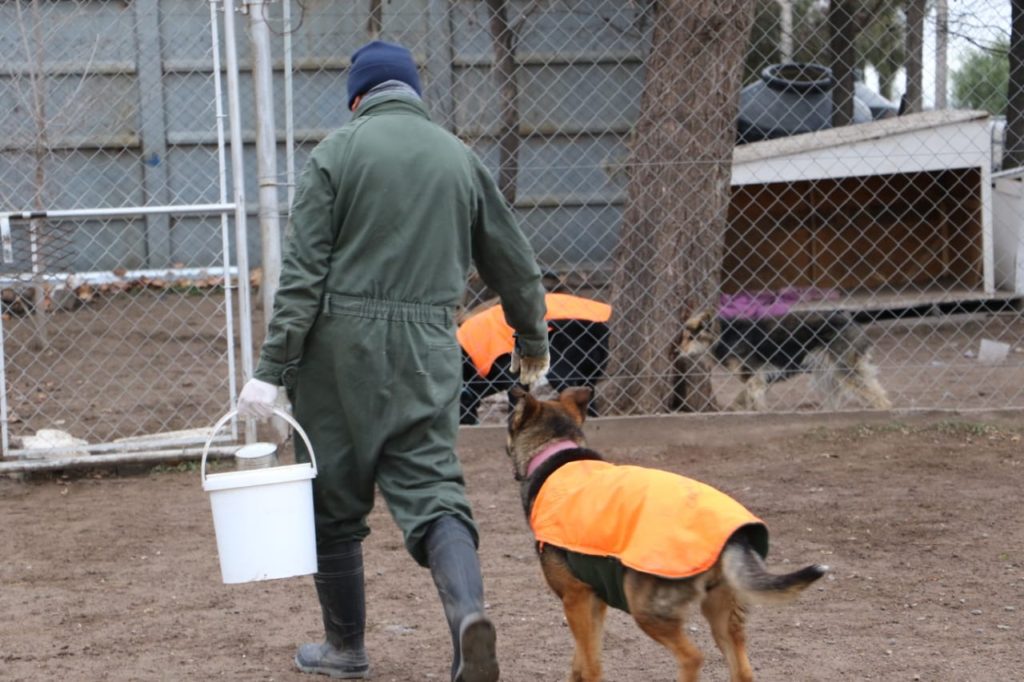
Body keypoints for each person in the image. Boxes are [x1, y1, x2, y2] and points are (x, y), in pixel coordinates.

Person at [235, 40, 550, 682]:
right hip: (429, 346)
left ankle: (346, 650)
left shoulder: (337, 153)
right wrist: (532, 340)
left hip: (337, 353)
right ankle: (467, 621)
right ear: (412, 93)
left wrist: (271, 367)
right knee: (435, 489)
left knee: (331, 497)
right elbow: (513, 264)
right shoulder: (459, 159)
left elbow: (301, 277)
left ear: (358, 96)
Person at [458, 293, 611, 424]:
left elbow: (515, 385)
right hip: (590, 326)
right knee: (572, 382)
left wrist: (515, 425)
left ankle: (580, 423)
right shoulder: (473, 342)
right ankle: (591, 421)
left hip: (570, 324)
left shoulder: (477, 345)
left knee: (561, 379)